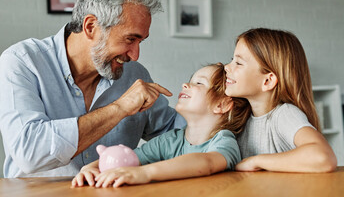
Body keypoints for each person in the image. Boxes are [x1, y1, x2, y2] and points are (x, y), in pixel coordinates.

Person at [0, 0, 185, 178]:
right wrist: (120, 108)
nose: (135, 55)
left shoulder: (133, 74)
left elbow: (182, 134)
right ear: (90, 26)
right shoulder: (22, 62)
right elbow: (29, 152)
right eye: (130, 39)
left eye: (140, 41)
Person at [71, 63, 241, 188]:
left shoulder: (224, 141)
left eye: (199, 83)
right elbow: (129, 158)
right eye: (191, 80)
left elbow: (206, 162)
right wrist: (91, 168)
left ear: (222, 105)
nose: (185, 85)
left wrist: (144, 173)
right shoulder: (170, 140)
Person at [224, 28, 337, 173]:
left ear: (268, 81)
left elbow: (323, 157)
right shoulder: (242, 117)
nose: (227, 67)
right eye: (232, 60)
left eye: (238, 63)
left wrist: (256, 161)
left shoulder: (284, 115)